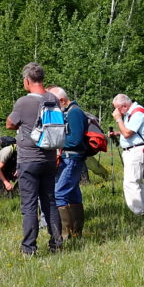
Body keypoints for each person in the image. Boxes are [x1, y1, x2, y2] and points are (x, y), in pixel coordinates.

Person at [5, 62, 63, 256]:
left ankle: (29, 248)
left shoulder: (23, 102)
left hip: (28, 159)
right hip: (49, 158)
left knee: (29, 205)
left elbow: (10, 124)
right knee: (50, 202)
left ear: (27, 81)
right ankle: (56, 243)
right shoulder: (53, 99)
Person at [49, 86, 87, 238]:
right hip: (71, 158)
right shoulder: (71, 111)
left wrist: (56, 142)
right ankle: (76, 232)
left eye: (54, 103)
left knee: (59, 193)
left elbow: (76, 139)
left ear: (62, 101)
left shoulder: (74, 112)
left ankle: (65, 234)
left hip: (72, 158)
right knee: (72, 194)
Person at [111, 93, 144, 215]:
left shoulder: (137, 113)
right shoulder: (132, 113)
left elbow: (128, 133)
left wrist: (118, 119)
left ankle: (139, 213)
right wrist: (117, 133)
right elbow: (128, 131)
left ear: (124, 106)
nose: (116, 111)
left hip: (135, 151)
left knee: (131, 183)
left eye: (117, 108)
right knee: (136, 182)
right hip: (132, 150)